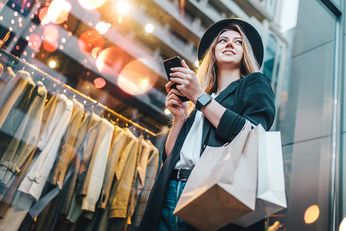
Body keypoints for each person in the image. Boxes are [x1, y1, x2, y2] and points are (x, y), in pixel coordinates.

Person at [140, 18, 275, 231]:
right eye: (223, 40)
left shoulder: (254, 83)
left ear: (245, 53)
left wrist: (199, 97)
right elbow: (171, 156)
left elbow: (252, 134)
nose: (230, 44)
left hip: (212, 196)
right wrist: (181, 118)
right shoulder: (201, 97)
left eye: (238, 42)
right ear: (212, 52)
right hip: (169, 192)